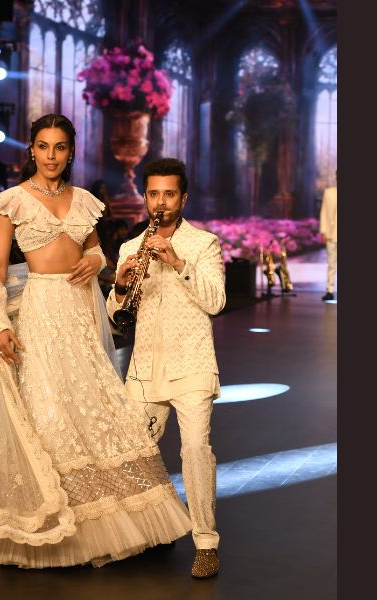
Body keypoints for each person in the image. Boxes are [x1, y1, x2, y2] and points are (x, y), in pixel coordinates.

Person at [0, 114, 191, 568]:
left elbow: (95, 251)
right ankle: (49, 519)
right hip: (38, 312)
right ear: (31, 151)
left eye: (59, 147)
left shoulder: (85, 201)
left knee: (96, 408)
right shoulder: (12, 201)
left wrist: (96, 261)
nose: (51, 155)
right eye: (43, 146)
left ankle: (124, 517)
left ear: (70, 152)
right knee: (48, 411)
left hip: (78, 313)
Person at [106, 157, 226, 578]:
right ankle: (156, 529)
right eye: (154, 194)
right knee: (133, 452)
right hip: (145, 367)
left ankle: (206, 543)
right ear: (144, 197)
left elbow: (216, 301)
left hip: (192, 364)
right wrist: (120, 288)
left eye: (169, 194)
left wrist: (177, 263)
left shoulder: (204, 244)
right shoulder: (129, 248)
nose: (161, 202)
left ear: (183, 198)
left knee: (195, 451)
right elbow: (117, 317)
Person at [319, 170, 337, 301]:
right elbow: (324, 212)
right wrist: (323, 231)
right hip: (332, 233)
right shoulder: (329, 192)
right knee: (331, 264)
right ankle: (329, 291)